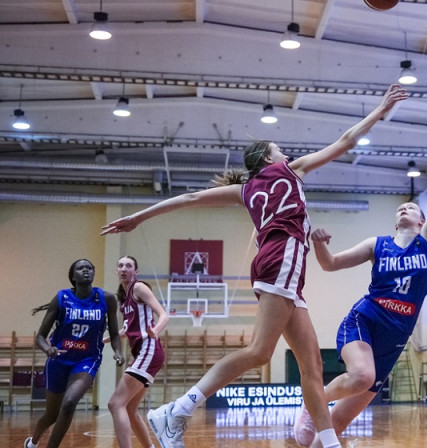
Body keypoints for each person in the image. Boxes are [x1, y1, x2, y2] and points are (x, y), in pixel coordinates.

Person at [100, 84, 408, 448]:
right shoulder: (290, 171)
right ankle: (179, 408)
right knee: (260, 351)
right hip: (282, 259)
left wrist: (139, 217)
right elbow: (346, 140)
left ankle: (329, 443)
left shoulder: (244, 189)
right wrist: (380, 109)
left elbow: (190, 197)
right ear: (267, 158)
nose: (286, 152)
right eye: (279, 149)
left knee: (312, 368)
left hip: (280, 267)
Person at [294, 103, 427, 448]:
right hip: (364, 321)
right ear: (395, 221)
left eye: (412, 207)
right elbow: (330, 265)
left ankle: (317, 426)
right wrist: (320, 245)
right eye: (400, 207)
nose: (404, 208)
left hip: (395, 340)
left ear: (422, 221)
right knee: (361, 375)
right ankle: (310, 402)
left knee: (337, 424)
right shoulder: (378, 244)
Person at [24, 259, 124, 448]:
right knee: (51, 415)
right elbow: (40, 337)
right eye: (81, 268)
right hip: (59, 359)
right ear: (73, 276)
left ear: (94, 273)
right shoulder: (62, 298)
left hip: (87, 359)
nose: (86, 270)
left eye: (89, 268)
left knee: (69, 403)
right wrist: (48, 349)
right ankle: (33, 441)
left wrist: (117, 351)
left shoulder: (107, 298)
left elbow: (114, 333)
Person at [107, 256, 169, 448]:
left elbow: (164, 314)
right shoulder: (124, 300)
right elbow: (126, 330)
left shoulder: (139, 288)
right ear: (116, 270)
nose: (124, 268)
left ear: (136, 271)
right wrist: (101, 340)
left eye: (128, 265)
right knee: (130, 409)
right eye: (120, 265)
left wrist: (156, 330)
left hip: (149, 348)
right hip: (144, 352)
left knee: (115, 404)